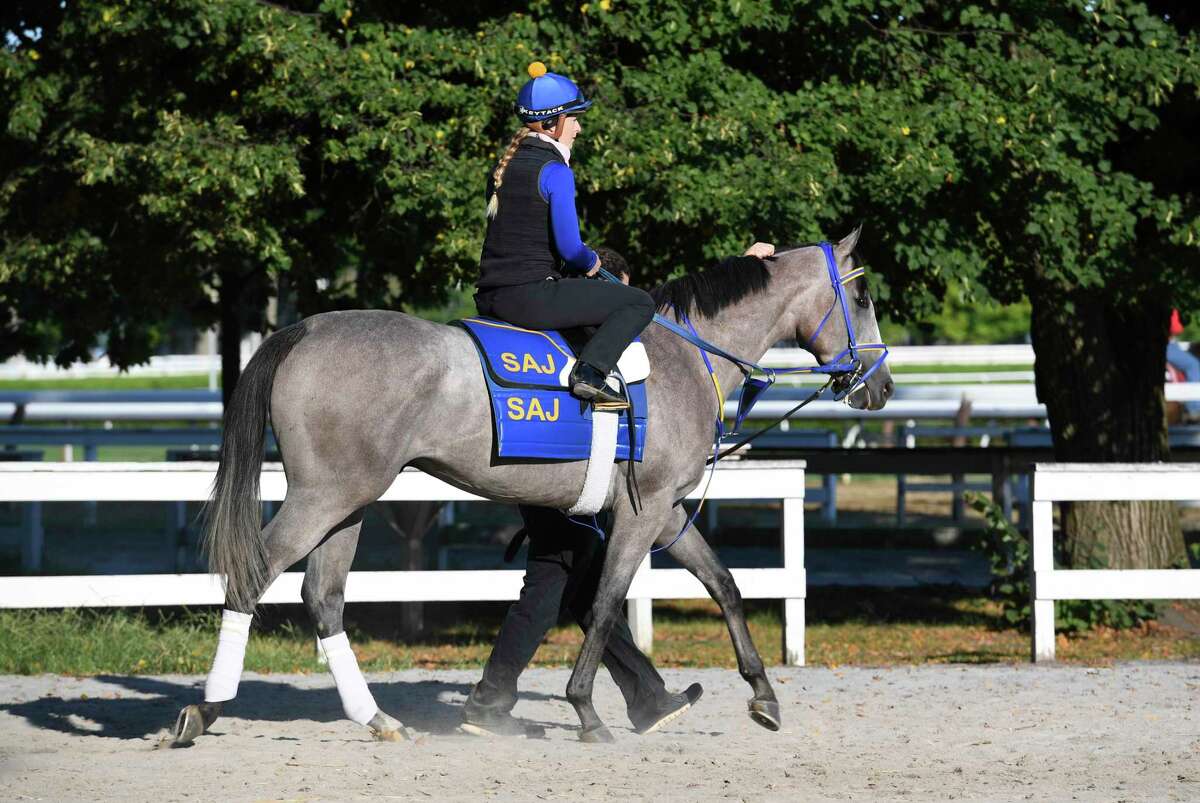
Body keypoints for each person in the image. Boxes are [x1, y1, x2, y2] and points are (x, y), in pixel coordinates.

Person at [474, 61, 655, 409]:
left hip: (490, 296)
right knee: (638, 301)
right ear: (552, 123)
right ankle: (589, 374)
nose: (579, 128)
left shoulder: (502, 168)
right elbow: (570, 250)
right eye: (574, 119)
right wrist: (592, 261)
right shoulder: (555, 172)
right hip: (530, 297)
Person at [461, 505, 702, 738]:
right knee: (539, 604)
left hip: (565, 507)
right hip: (570, 509)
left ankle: (649, 700)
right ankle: (488, 703)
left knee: (595, 605)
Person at [1167, 309, 1200, 421]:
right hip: (1168, 343)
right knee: (1193, 365)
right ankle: (1195, 409)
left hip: (1172, 343)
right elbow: (1176, 328)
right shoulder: (1169, 306)